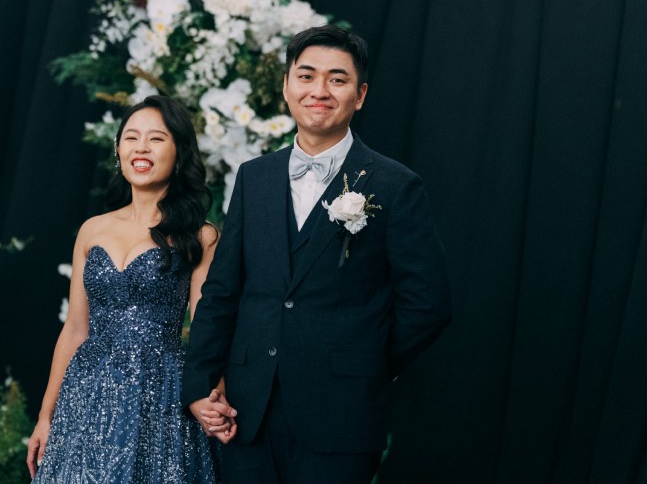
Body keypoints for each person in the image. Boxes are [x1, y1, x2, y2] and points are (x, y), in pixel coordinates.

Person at [182, 26, 452, 483]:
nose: (319, 91)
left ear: (360, 95)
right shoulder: (253, 177)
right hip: (246, 412)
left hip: (342, 415)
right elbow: (222, 291)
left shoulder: (395, 185)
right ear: (287, 86)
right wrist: (200, 384)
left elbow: (429, 303)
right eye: (306, 76)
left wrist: (365, 361)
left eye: (337, 79)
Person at [27, 94, 229, 483]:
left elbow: (210, 332)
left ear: (179, 153)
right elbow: (75, 329)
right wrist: (45, 416)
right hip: (87, 393)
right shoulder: (92, 230)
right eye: (131, 137)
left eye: (156, 138)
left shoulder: (200, 236)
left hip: (161, 394)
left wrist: (213, 396)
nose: (141, 147)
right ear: (118, 150)